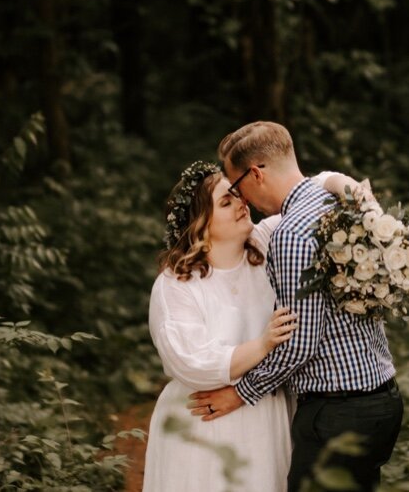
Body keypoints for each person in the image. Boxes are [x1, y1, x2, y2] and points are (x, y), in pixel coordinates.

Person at [188, 121, 404, 492]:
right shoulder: (338, 203)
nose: (242, 202)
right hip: (383, 399)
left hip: (336, 412)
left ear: (255, 174)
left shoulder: (291, 234)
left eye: (237, 187)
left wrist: (240, 393)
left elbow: (299, 342)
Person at [143, 158, 361, 491]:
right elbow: (189, 361)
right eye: (226, 202)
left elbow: (313, 188)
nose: (242, 205)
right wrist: (263, 344)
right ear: (200, 223)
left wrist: (359, 196)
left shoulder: (267, 241)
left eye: (238, 196)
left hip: (266, 413)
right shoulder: (176, 284)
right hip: (204, 419)